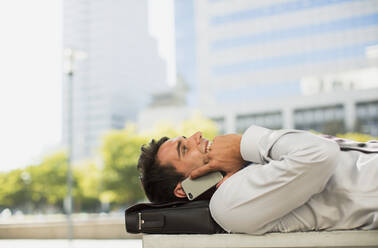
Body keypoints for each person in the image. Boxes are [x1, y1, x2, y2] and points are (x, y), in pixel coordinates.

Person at [137, 125, 378, 234]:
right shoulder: (227, 204)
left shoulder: (245, 168)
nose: (197, 135)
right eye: (184, 148)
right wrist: (242, 145)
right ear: (184, 189)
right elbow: (321, 154)